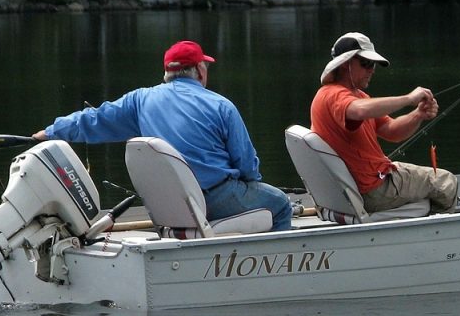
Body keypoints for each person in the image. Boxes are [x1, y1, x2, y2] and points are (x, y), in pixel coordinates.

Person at [33, 40, 292, 231]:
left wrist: (52, 131)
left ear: (166, 72)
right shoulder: (221, 105)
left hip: (166, 205)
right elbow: (247, 166)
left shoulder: (139, 100)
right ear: (200, 71)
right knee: (280, 203)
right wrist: (252, 186)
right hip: (214, 199)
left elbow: (94, 119)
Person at [310, 32, 459, 214]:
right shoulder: (334, 95)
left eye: (373, 65)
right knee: (446, 181)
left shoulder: (358, 96)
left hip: (369, 184)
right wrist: (408, 98)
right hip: (373, 190)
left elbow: (392, 131)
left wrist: (418, 114)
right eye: (366, 64)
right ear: (345, 64)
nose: (371, 70)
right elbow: (360, 110)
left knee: (430, 181)